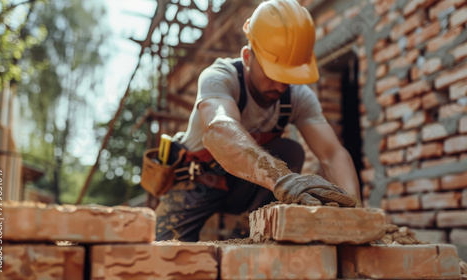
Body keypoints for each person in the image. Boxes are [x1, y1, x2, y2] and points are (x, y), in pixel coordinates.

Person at [155, 0, 361, 241]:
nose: (281, 85)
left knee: (290, 151)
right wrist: (282, 180)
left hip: (246, 187)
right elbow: (218, 129)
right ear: (247, 57)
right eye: (274, 73)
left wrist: (355, 213)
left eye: (288, 76)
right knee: (166, 254)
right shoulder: (219, 77)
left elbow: (333, 153)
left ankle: (254, 235)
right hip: (196, 183)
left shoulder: (298, 97)